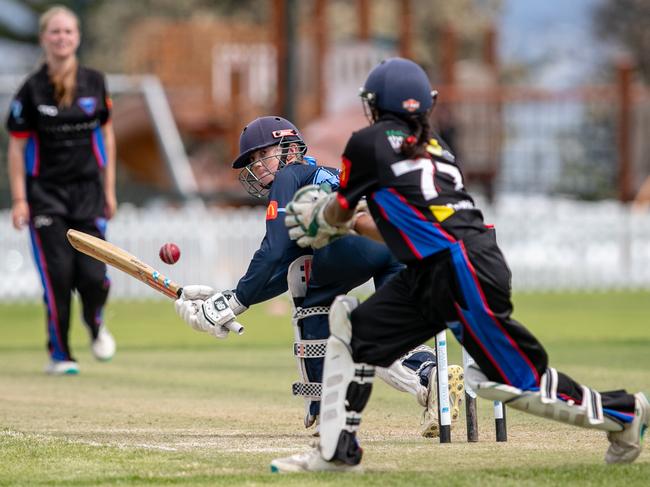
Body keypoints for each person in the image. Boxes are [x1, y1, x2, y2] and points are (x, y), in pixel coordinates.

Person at [273, 57, 649, 472]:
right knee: (354, 335)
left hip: (460, 269)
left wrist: (319, 219)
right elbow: (404, 223)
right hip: (445, 265)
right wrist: (347, 223)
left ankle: (625, 412)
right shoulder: (438, 149)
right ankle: (337, 452)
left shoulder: (367, 144)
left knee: (508, 382)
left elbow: (338, 215)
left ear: (375, 105)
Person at [173, 115, 464, 437]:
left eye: (261, 155)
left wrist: (236, 301)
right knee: (386, 329)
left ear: (288, 148)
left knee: (310, 297)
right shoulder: (326, 173)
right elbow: (283, 264)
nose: (256, 166)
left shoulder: (290, 177)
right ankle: (430, 376)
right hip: (396, 242)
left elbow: (274, 253)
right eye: (252, 161)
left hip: (354, 242)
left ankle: (324, 405)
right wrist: (233, 298)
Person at [6, 6, 116, 375]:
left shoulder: (95, 82)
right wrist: (20, 200)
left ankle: (95, 323)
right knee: (58, 276)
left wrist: (109, 190)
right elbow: (17, 147)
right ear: (44, 38)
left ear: (77, 37)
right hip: (46, 197)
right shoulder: (31, 89)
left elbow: (107, 137)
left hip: (88, 194)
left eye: (68, 31)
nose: (62, 37)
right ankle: (61, 354)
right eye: (55, 32)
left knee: (93, 277)